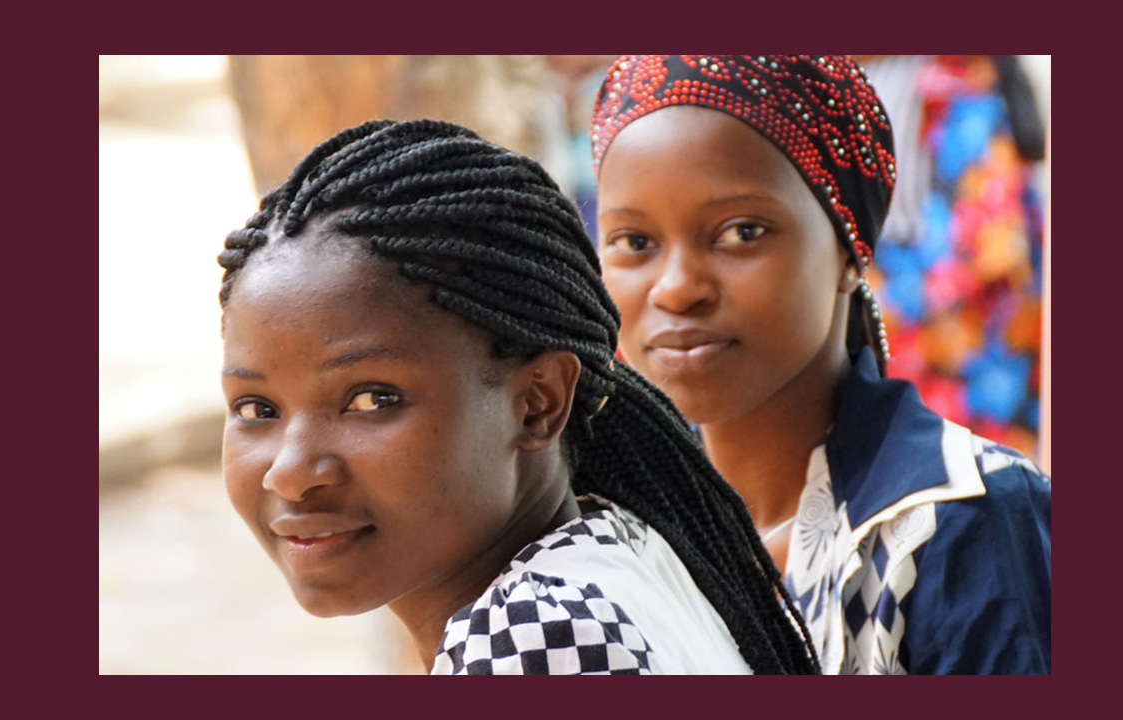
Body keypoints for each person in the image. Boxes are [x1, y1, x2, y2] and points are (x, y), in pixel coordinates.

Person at [216, 118, 818, 675]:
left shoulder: (532, 639)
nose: (290, 474)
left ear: (538, 402)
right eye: (255, 410)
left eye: (372, 400)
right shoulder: (610, 546)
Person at [590, 55, 1050, 674]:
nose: (676, 288)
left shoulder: (960, 519)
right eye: (635, 242)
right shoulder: (616, 531)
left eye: (742, 232)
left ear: (850, 252)